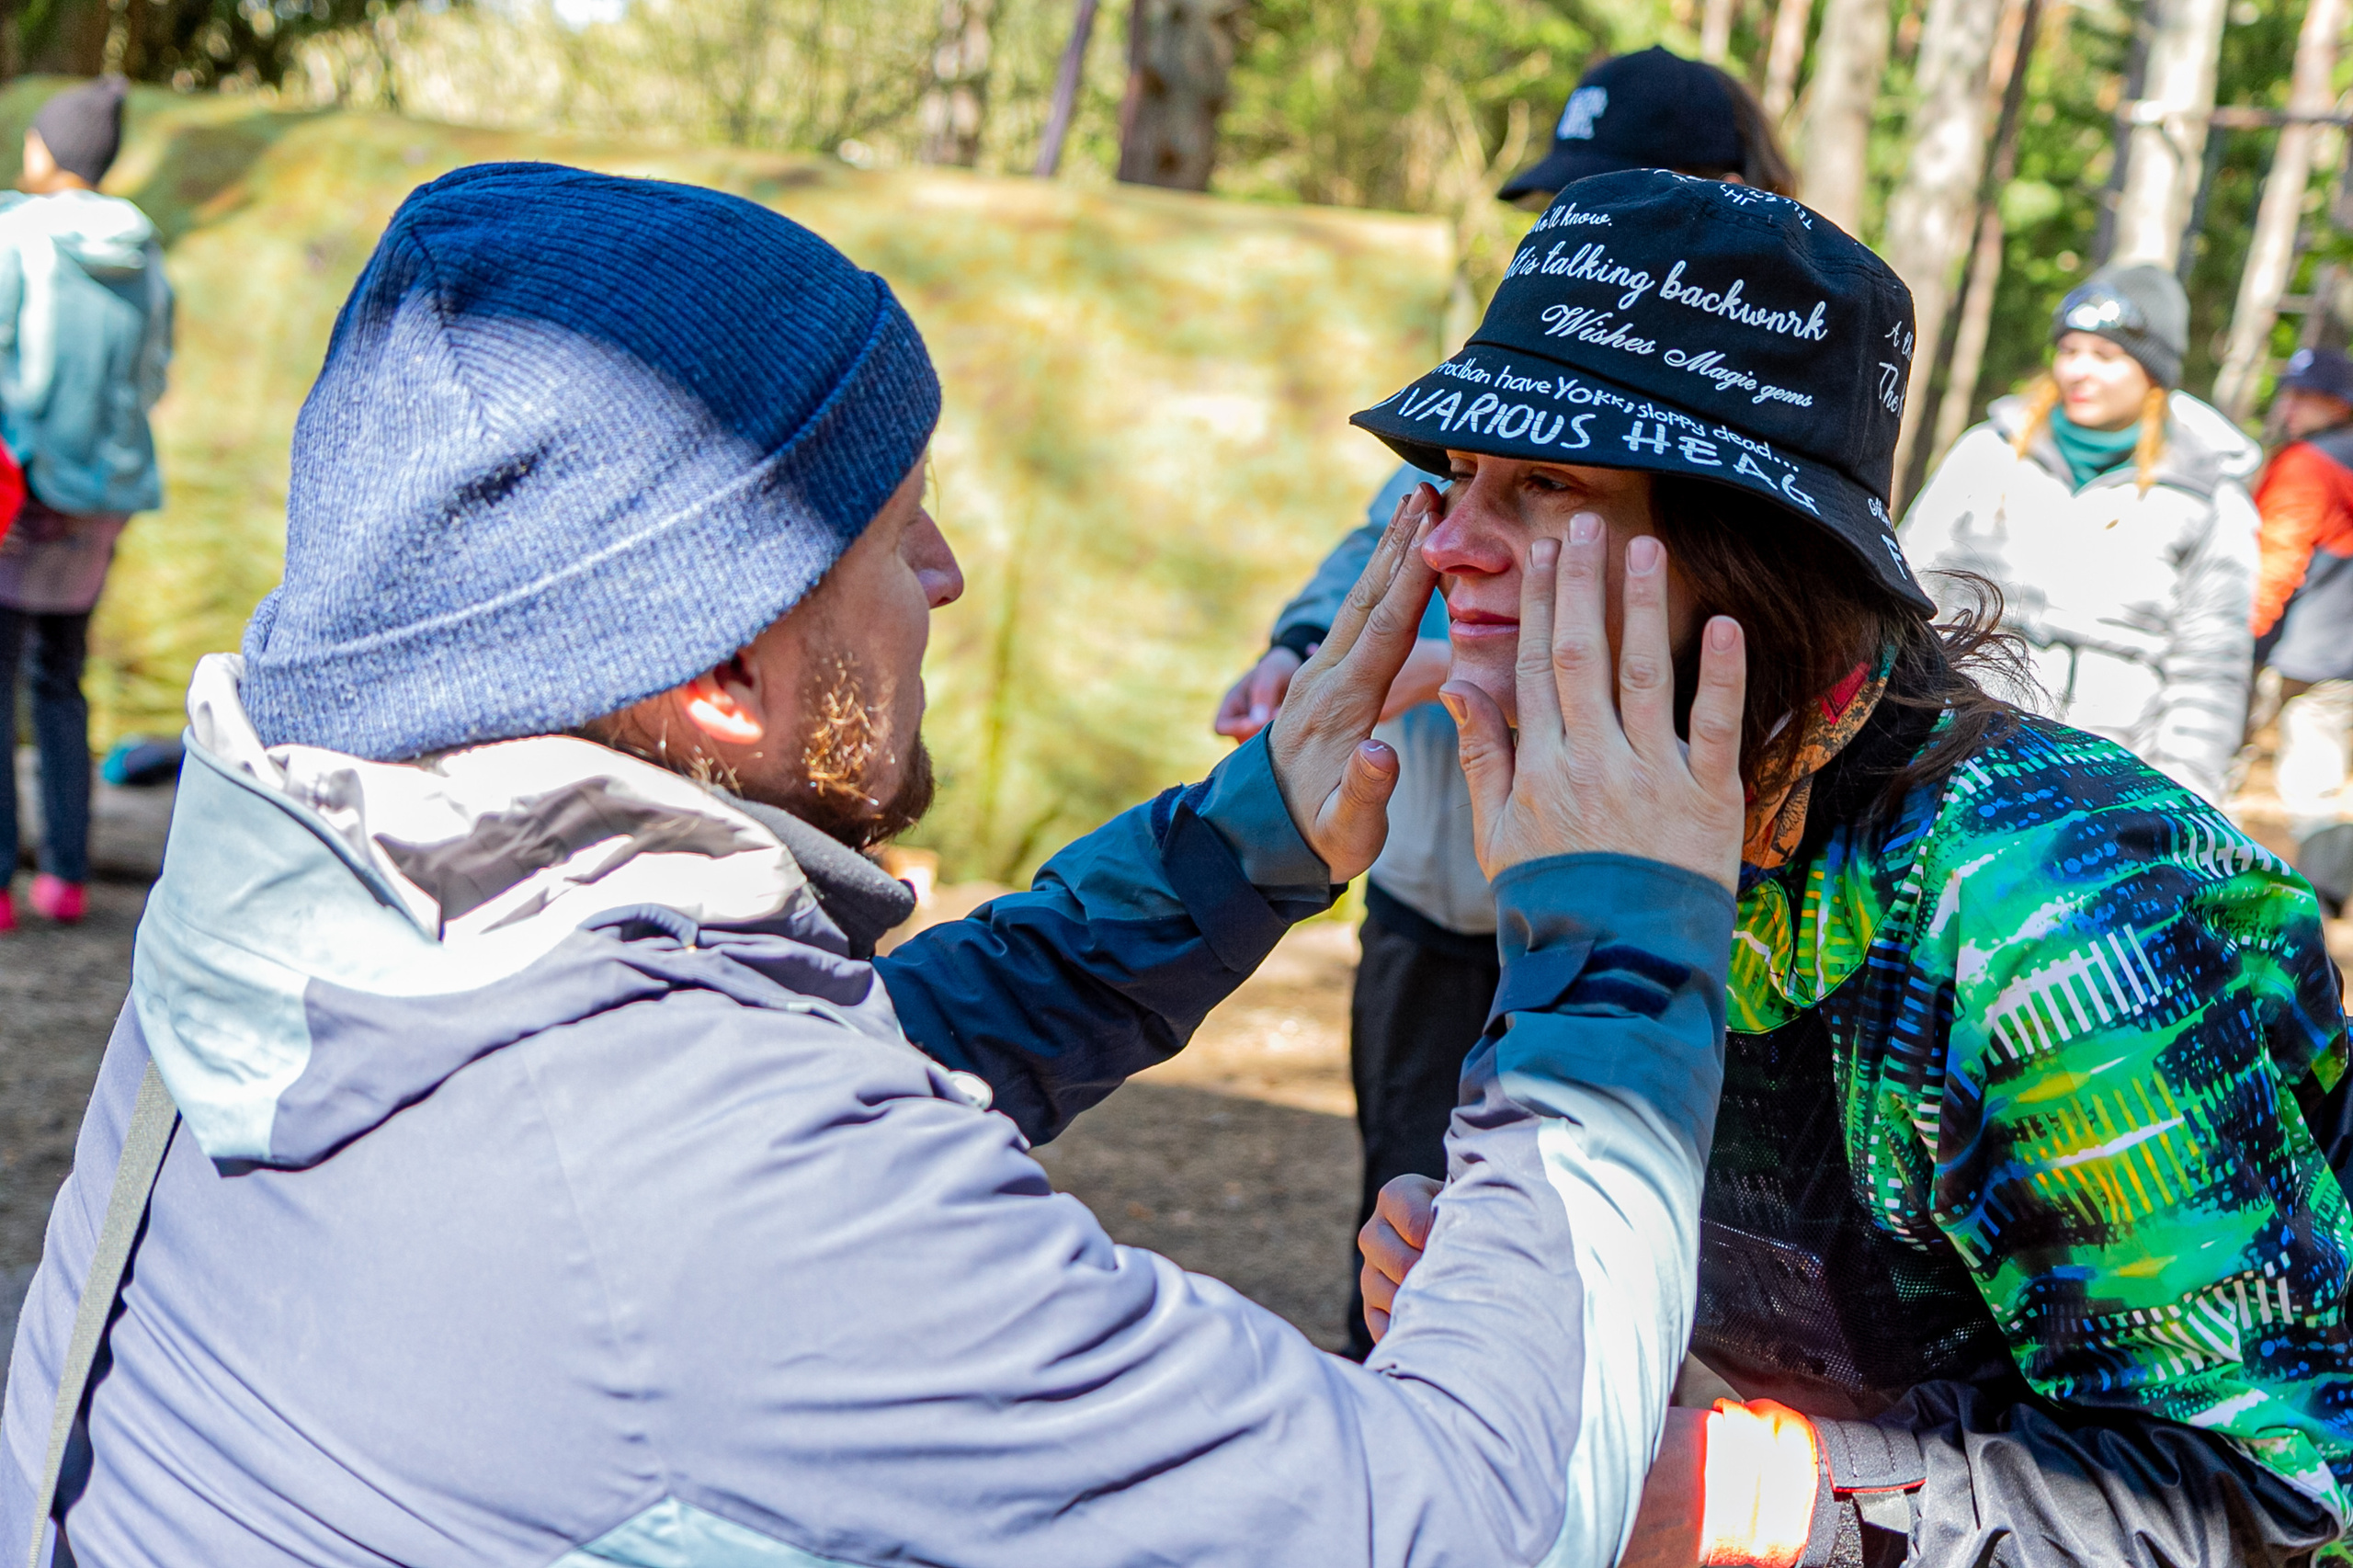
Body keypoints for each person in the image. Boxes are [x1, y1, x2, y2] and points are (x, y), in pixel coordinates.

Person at [0, 163, 1756, 1567]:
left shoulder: (323, 887)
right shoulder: (711, 1230)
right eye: (892, 521)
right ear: (717, 671)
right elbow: (1469, 1523)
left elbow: (799, 1072)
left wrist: (1236, 858)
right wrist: (1619, 941)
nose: (948, 575)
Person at [1352, 170, 2353, 1565]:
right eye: (1455, 478)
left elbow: (2273, 1498)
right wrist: (1500, 1263)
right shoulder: (1620, 817)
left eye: (1543, 484)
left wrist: (1770, 1498)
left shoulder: (2052, 907)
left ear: (1749, 555)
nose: (1449, 543)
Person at [1213, 42, 1794, 1358]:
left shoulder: (1776, 373)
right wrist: (1312, 645)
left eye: (1544, 485)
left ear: (1717, 188)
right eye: (1552, 206)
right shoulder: (1518, 344)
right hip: (1443, 885)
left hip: (1650, 888)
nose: (1565, 233)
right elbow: (1401, 526)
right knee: (1412, 1211)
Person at [1899, 263, 2258, 807]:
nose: (2078, 372)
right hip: (1954, 759)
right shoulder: (1989, 451)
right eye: (2068, 351)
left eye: (2106, 357)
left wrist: (2180, 798)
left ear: (2153, 372)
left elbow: (2210, 666)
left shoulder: (2209, 495)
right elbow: (1910, 587)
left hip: (2106, 783)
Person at [0, 74, 171, 933]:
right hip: (105, 495)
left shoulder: (18, 236)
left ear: (50, 150)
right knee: (61, 677)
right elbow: (155, 374)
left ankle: (0, 882)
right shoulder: (144, 250)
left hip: (21, 489)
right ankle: (65, 877)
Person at [2248, 346, 2353, 911]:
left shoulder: (2310, 464)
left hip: (2311, 654)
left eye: (2303, 395)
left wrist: (2243, 640)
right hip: (2342, 655)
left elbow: (2275, 560)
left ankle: (2322, 890)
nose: (2289, 406)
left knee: (2306, 775)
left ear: (2336, 402)